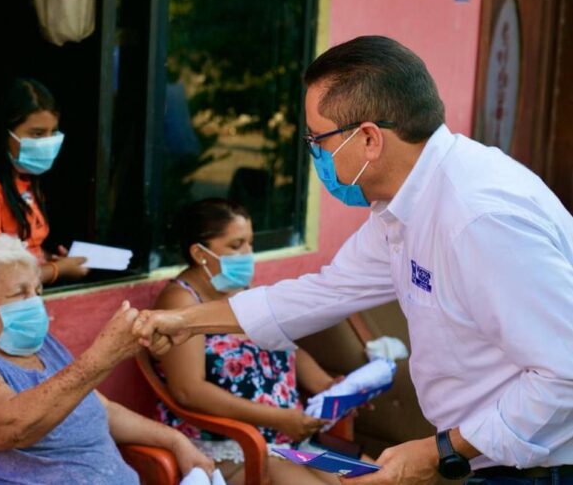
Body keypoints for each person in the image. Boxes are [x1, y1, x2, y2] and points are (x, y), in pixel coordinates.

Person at [134, 35, 573, 484]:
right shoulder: (403, 205)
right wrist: (186, 322)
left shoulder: (478, 218)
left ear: (368, 139)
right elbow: (323, 292)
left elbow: (564, 372)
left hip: (537, 466)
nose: (314, 154)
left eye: (317, 139)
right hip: (488, 454)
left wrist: (440, 451)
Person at [0, 235, 212, 484]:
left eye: (37, 291)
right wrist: (102, 357)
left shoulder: (44, 347)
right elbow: (14, 427)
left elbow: (102, 409)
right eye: (20, 293)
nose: (35, 302)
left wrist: (176, 440)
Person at [153, 198, 341, 485]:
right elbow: (188, 390)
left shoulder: (240, 291)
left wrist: (330, 387)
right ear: (199, 253)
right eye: (236, 245)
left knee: (376, 477)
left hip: (288, 437)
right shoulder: (181, 302)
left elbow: (285, 346)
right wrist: (277, 418)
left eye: (250, 244)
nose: (247, 254)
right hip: (233, 446)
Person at [0, 78, 88, 285]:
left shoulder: (24, 175)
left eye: (52, 132)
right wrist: (57, 270)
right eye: (37, 134)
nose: (46, 142)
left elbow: (28, 246)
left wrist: (50, 258)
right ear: (3, 132)